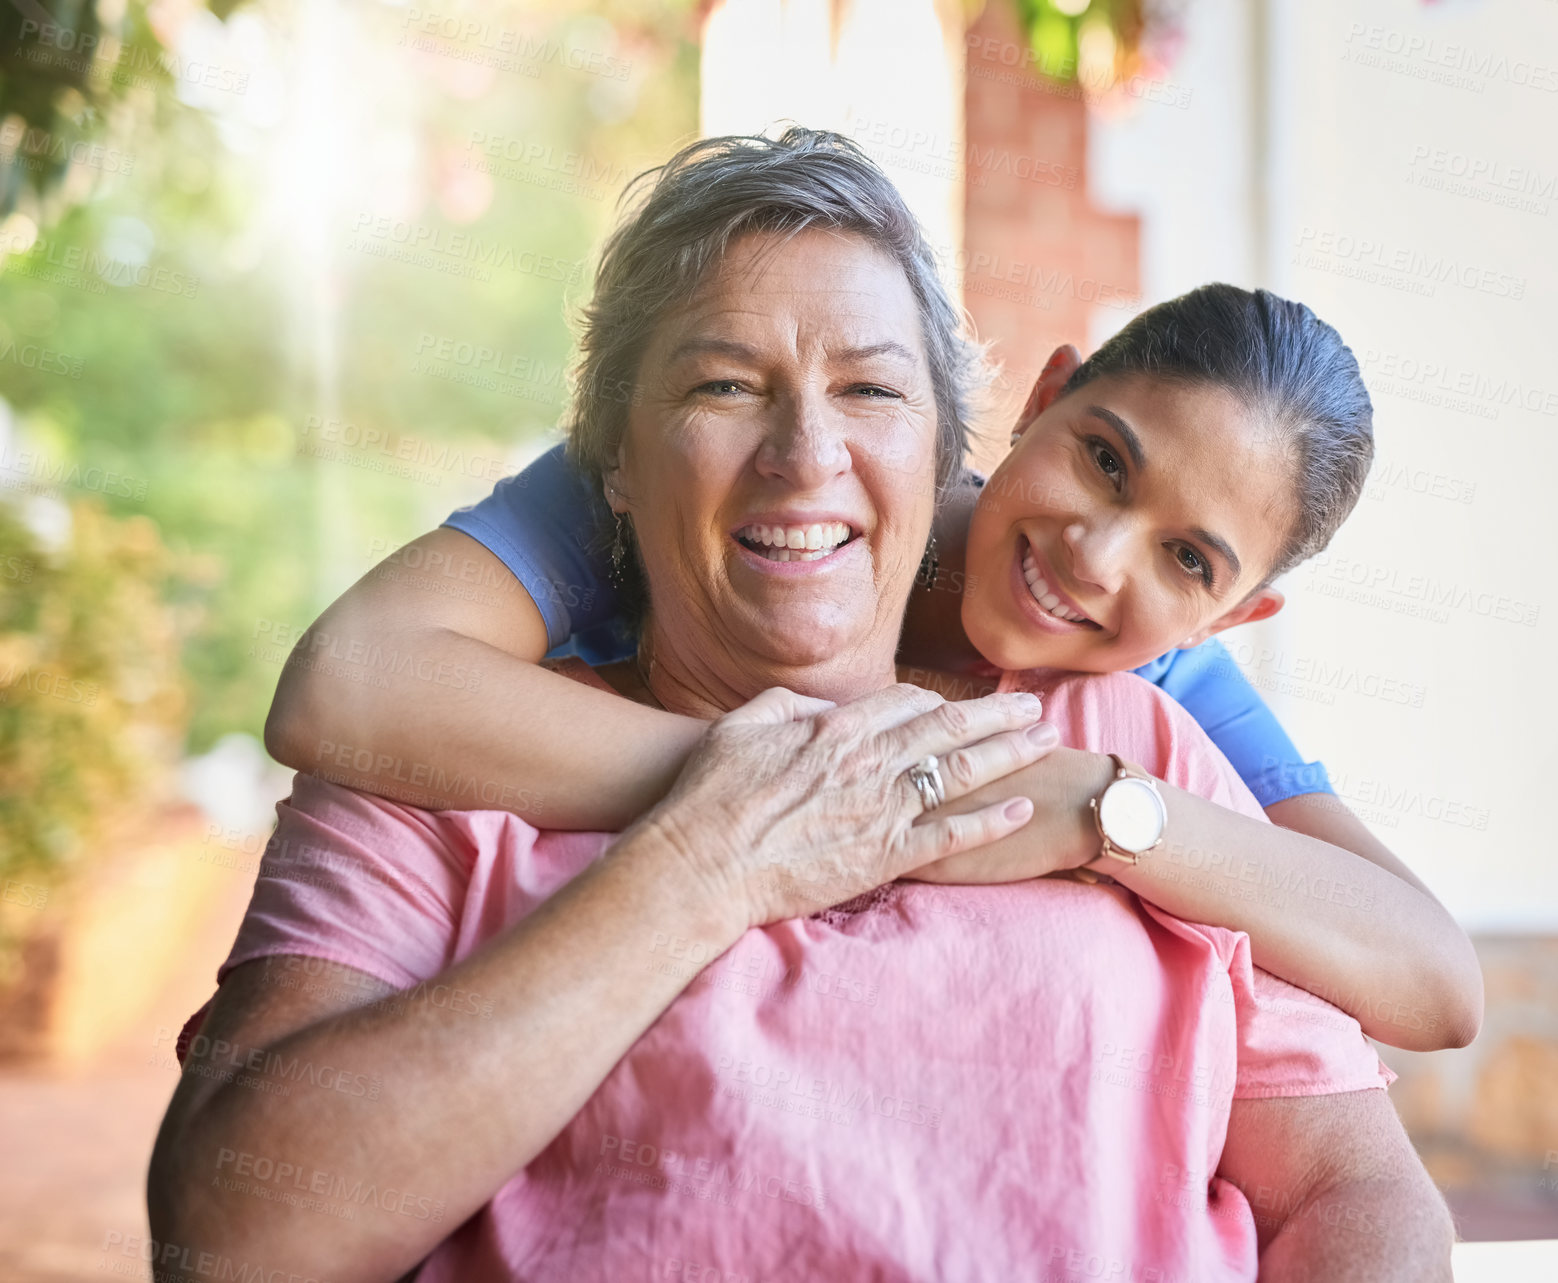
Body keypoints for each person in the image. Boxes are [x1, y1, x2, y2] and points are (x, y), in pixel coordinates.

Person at [150, 128, 1453, 1282]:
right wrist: (722, 847)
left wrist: (1105, 817)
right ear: (607, 456)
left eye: (870, 390)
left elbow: (1370, 1153)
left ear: (943, 438)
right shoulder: (437, 756)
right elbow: (241, 1242)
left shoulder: (1135, 732)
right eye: (723, 385)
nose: (805, 456)